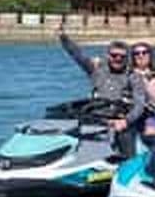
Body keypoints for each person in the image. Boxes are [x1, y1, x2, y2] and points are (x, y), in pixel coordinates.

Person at [58, 27, 146, 157]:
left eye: (122, 56)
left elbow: (139, 105)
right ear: (107, 55)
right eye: (114, 55)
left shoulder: (133, 77)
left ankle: (127, 164)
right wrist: (63, 38)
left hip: (121, 119)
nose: (118, 59)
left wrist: (125, 121)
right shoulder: (97, 70)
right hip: (96, 116)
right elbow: (78, 56)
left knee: (125, 140)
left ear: (127, 58)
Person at [130, 41, 155, 140]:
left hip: (149, 113)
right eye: (136, 53)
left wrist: (143, 81)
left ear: (150, 55)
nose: (140, 56)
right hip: (129, 113)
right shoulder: (128, 73)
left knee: (152, 134)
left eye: (144, 52)